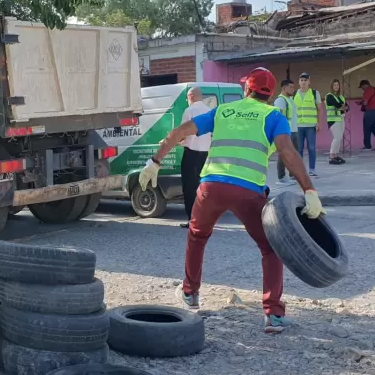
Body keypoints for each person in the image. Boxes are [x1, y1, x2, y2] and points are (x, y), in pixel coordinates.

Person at [138, 67, 324, 334]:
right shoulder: (274, 116)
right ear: (269, 93)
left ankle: (190, 292)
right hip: (248, 190)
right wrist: (309, 190)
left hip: (212, 186)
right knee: (270, 248)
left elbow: (179, 132)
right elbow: (288, 153)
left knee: (197, 235)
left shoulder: (223, 111)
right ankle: (273, 314)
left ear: (246, 89)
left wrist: (154, 163)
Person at [178, 86, 211, 228]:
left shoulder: (189, 111)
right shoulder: (209, 111)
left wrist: (175, 141)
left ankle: (193, 219)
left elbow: (182, 132)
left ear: (190, 96)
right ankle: (206, 219)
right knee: (204, 187)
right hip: (206, 154)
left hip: (191, 154)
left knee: (189, 187)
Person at [294, 73, 321, 177]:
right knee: (299, 149)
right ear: (299, 82)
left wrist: (318, 122)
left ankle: (312, 169)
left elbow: (319, 109)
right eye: (301, 80)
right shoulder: (294, 93)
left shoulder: (314, 93)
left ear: (309, 81)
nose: (303, 82)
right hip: (298, 126)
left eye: (305, 80)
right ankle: (300, 170)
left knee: (311, 148)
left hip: (310, 125)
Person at [325, 79, 349, 165]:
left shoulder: (341, 96)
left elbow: (347, 107)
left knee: (339, 138)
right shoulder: (329, 96)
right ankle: (331, 156)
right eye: (334, 85)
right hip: (333, 120)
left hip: (341, 118)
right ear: (332, 86)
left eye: (337, 85)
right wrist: (342, 107)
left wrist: (343, 107)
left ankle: (336, 155)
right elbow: (338, 105)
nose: (336, 87)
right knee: (336, 137)